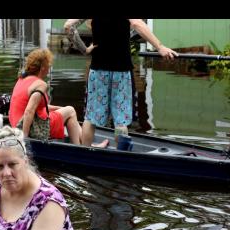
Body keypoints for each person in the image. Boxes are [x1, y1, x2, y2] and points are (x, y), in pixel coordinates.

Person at [64, 18, 178, 147]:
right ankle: (120, 155)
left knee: (91, 118)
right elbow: (137, 24)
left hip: (98, 70)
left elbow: (68, 26)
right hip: (121, 71)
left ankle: (85, 153)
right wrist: (159, 47)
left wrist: (83, 49)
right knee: (120, 120)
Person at [9, 48, 100, 146]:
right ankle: (81, 149)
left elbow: (38, 108)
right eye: (49, 65)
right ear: (43, 67)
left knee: (69, 112)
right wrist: (24, 139)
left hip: (16, 124)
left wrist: (60, 109)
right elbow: (29, 111)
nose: (49, 68)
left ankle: (84, 144)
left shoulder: (22, 79)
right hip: (30, 128)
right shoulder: (40, 84)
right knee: (71, 110)